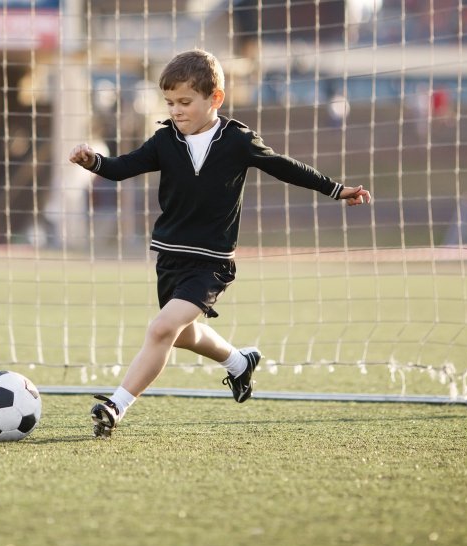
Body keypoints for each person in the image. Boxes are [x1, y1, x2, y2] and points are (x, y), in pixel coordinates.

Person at [67, 49, 371, 438]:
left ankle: (116, 406)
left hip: (211, 263)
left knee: (162, 329)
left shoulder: (237, 140)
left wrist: (336, 190)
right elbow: (122, 167)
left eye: (185, 102)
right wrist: (93, 161)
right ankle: (239, 362)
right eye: (170, 103)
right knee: (182, 334)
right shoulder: (164, 140)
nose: (176, 110)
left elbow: (283, 166)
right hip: (170, 257)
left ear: (215, 99)